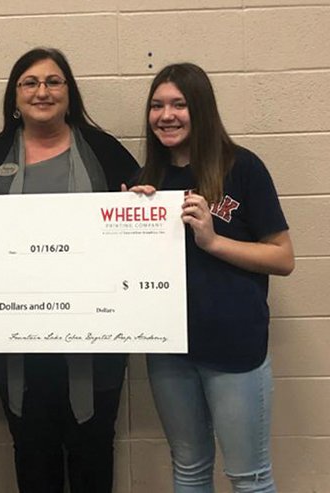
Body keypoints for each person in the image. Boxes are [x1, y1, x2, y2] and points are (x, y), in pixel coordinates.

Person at [0, 47, 139, 493]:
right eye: (30, 82)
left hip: (97, 338)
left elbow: (143, 231)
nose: (42, 91)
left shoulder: (105, 151)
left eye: (53, 81)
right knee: (31, 449)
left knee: (94, 448)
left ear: (69, 92)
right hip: (15, 341)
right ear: (14, 96)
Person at [131, 63, 294, 492]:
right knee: (189, 469)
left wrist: (214, 241)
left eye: (179, 104)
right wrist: (127, 220)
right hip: (170, 349)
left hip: (235, 350)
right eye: (157, 105)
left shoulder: (243, 168)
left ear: (200, 109)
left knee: (249, 477)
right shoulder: (149, 179)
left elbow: (283, 257)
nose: (166, 115)